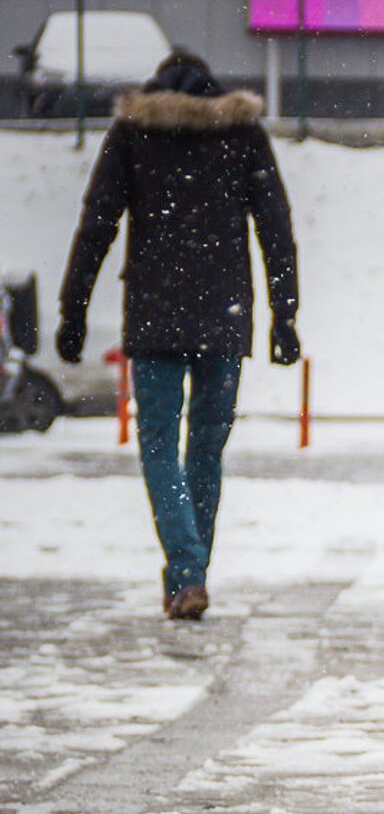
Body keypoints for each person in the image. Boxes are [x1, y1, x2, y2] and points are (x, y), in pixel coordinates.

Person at [58, 49, 299, 622]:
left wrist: (73, 309)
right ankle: (189, 574)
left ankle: (186, 573)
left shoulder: (134, 131)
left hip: (155, 314)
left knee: (160, 445)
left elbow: (97, 222)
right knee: (207, 447)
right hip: (223, 314)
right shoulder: (241, 134)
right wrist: (285, 315)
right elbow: (275, 226)